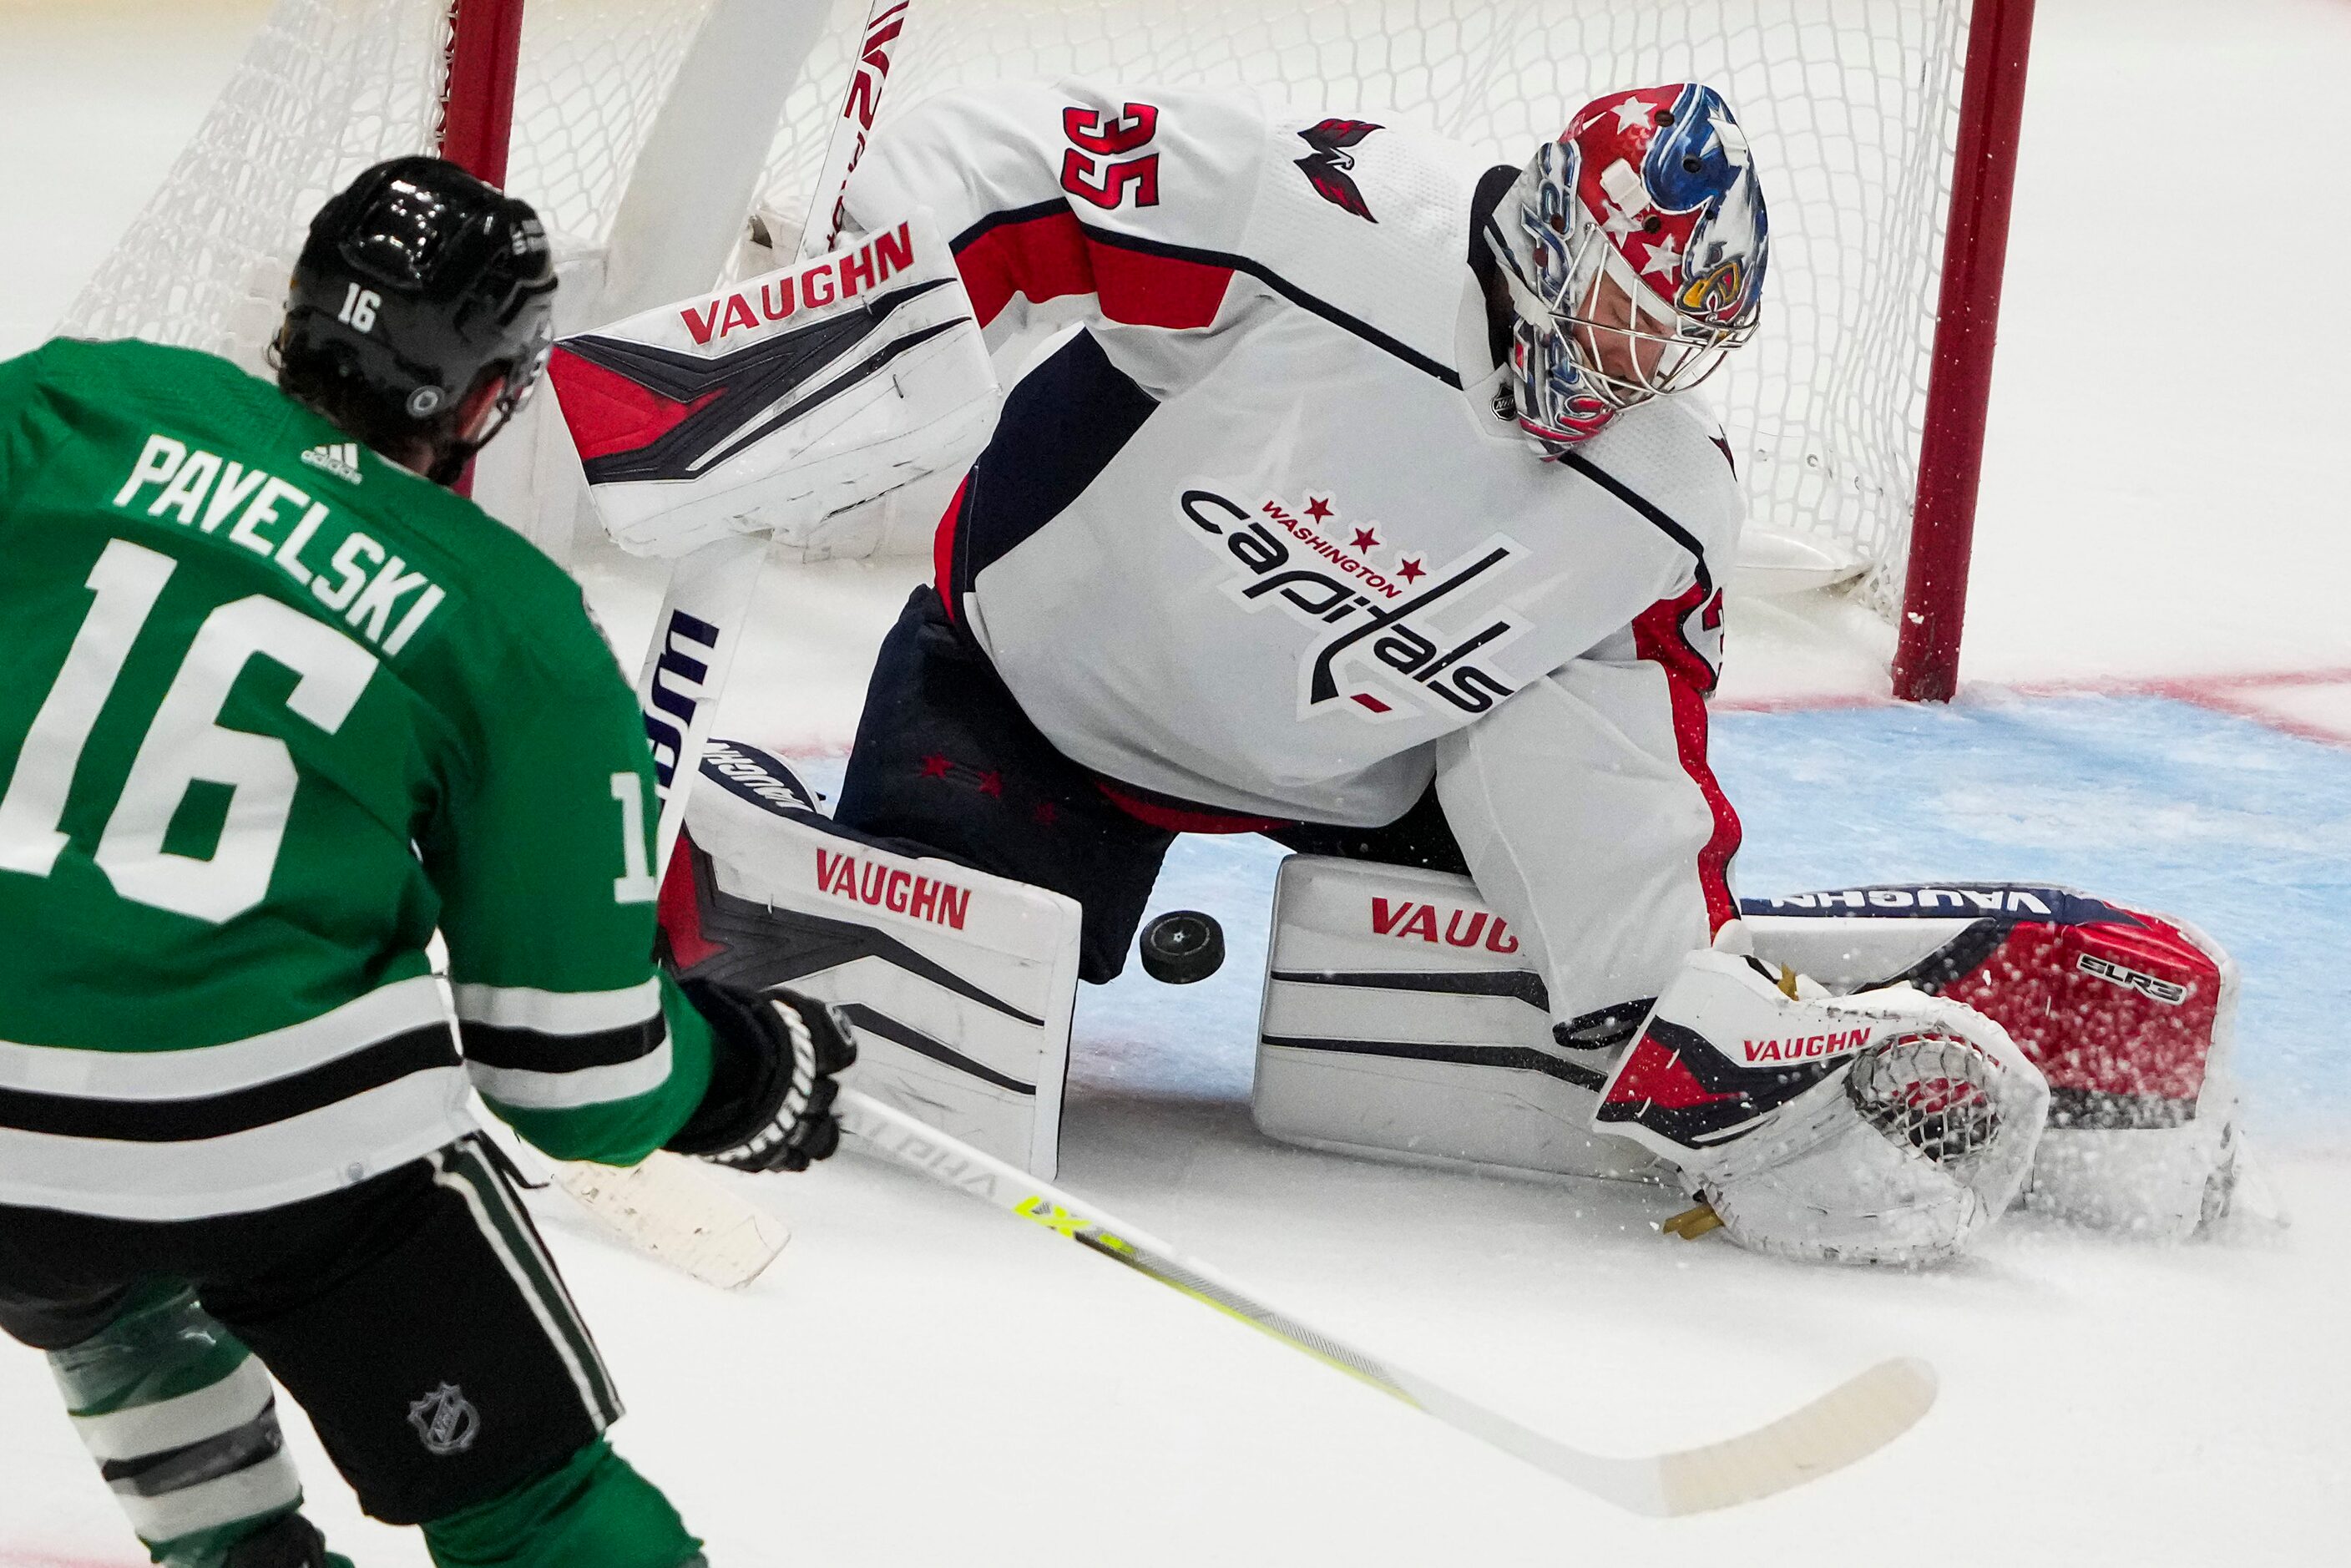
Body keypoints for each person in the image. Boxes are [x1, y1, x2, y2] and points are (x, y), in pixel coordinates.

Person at [652, 80, 2057, 1265]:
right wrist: (853, 321)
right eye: (1629, 313)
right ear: (1558, 239)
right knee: (952, 1027)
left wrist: (1664, 973)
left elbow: (1635, 751)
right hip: (1044, 697)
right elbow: (1000, 161)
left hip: (1352, 778)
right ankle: (725, 826)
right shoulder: (1320, 224)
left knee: (1570, 706)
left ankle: (1672, 1014)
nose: (1640, 368)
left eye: (1677, 341)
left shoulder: (1665, 495)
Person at [0, 156, 852, 1568]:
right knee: (530, 1504)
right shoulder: (510, 624)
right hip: (247, 1158)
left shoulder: (63, 402)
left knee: (98, 1275)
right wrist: (750, 1078)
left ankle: (233, 1547)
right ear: (486, 396)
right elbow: (576, 1081)